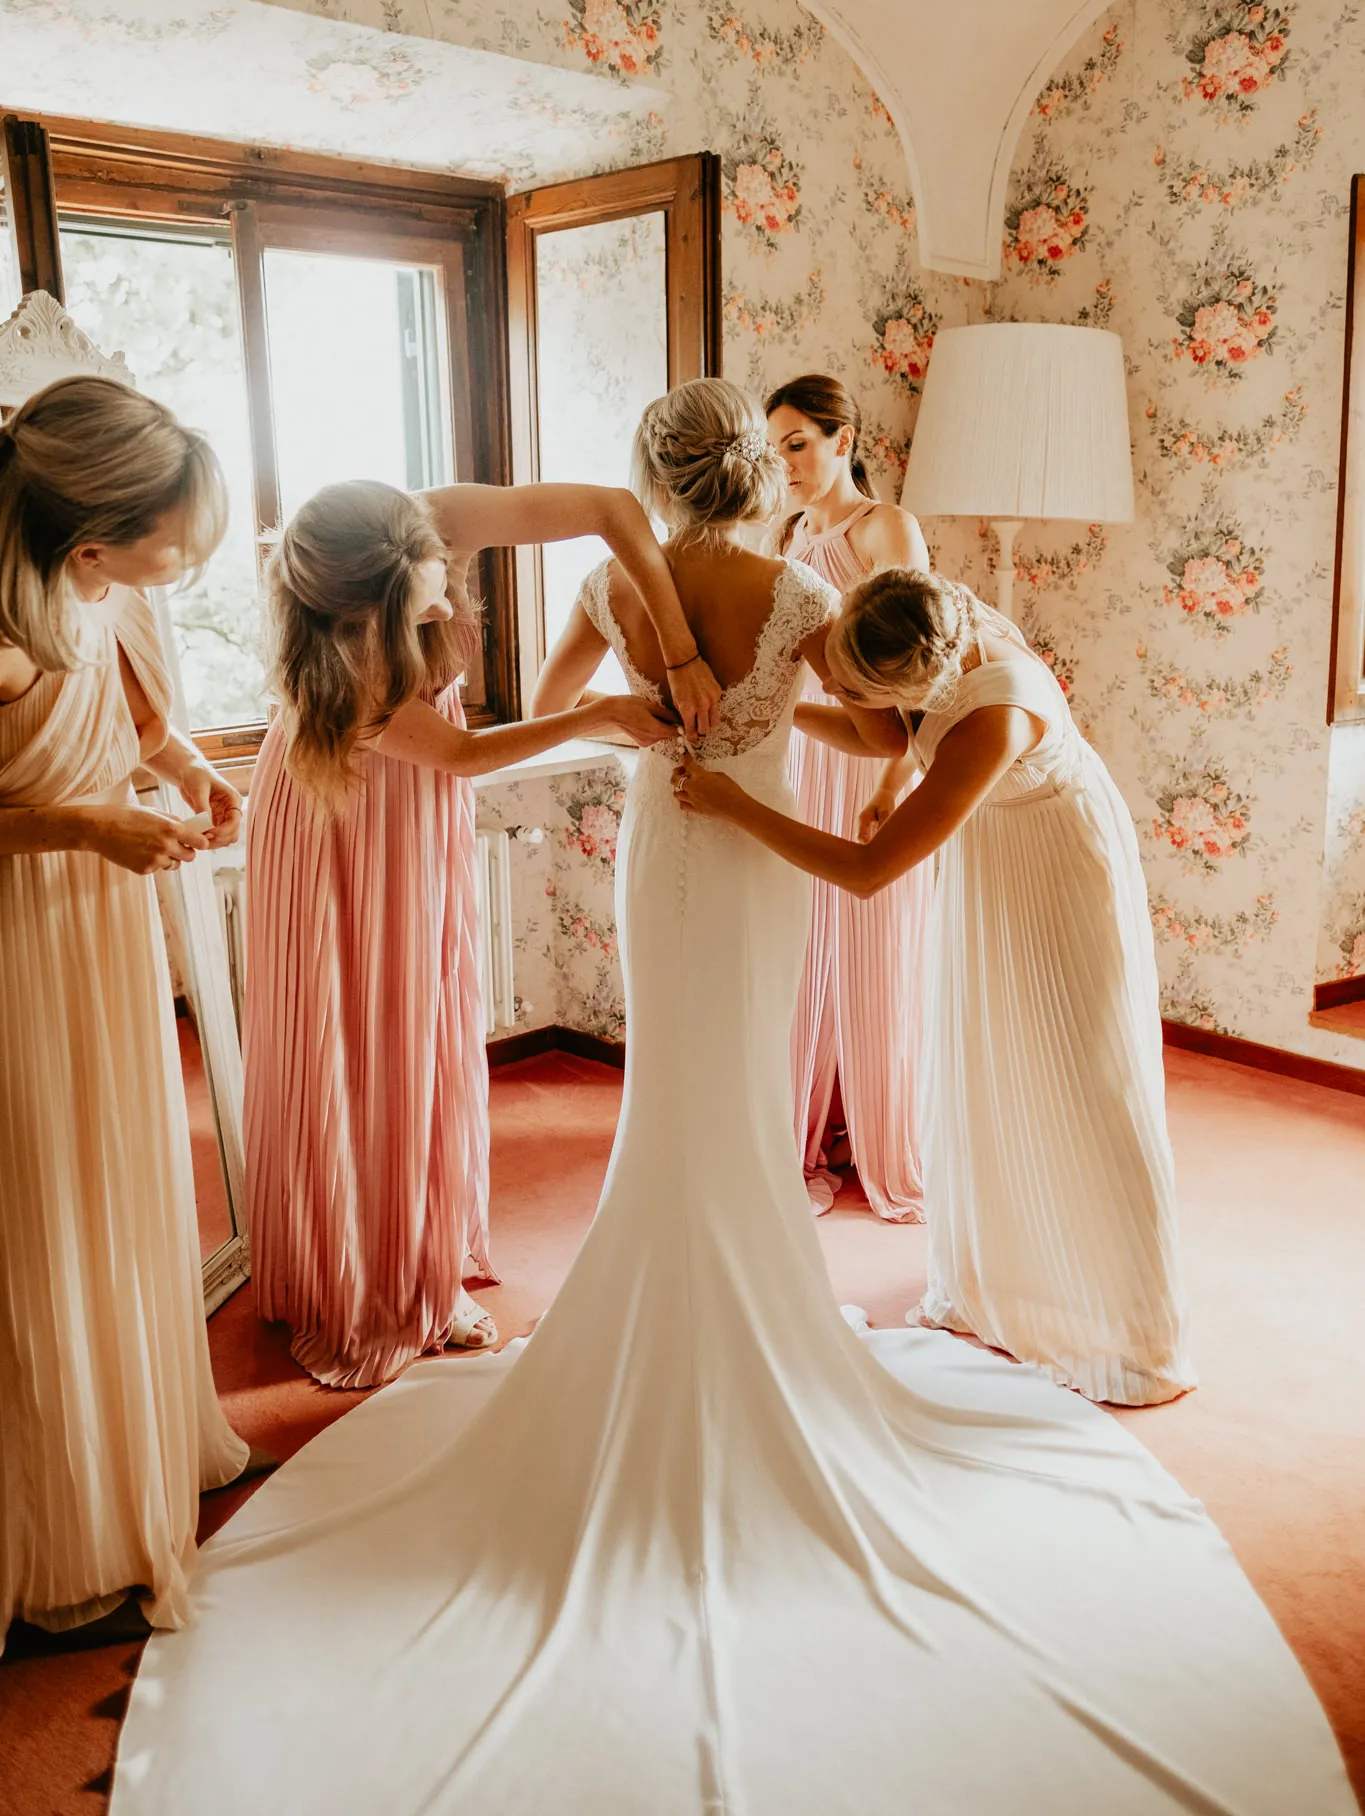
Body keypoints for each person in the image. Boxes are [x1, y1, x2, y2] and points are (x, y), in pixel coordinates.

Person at [111, 385, 1349, 1816]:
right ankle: (749, 1301)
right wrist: (866, 714)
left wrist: (644, 711)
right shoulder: (793, 587)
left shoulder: (605, 584)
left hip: (662, 850)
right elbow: (881, 735)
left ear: (654, 476)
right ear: (759, 472)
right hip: (756, 868)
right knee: (739, 1092)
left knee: (672, 1098)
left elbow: (564, 706)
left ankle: (675, 1297)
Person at [676, 564, 1197, 1407]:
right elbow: (882, 738)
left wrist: (733, 802)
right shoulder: (916, 615)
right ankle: (1004, 1284)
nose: (838, 691)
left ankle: (1135, 1325)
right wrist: (765, 716)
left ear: (909, 682)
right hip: (995, 857)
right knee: (989, 1065)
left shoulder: (991, 720)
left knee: (1087, 1084)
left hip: (1061, 868)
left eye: (849, 685)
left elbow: (869, 870)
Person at [243, 477, 694, 1390]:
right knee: (370, 1028)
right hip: (346, 818)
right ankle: (370, 1272)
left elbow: (613, 507)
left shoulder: (432, 517)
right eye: (426, 600)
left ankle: (422, 1240)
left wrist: (678, 646)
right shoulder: (349, 673)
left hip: (409, 808)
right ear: (361, 617)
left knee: (424, 1009)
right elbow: (460, 755)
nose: (450, 598)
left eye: (439, 575)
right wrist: (597, 714)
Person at [0, 375, 251, 1652]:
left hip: (100, 925)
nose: (189, 559)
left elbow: (149, 726)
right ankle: (65, 1512)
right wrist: (75, 821)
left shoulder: (109, 597)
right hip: (21, 940)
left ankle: (149, 1434)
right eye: (175, 538)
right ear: (89, 540)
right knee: (43, 1208)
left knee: (123, 1182)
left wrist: (200, 774)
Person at [769, 374, 933, 1219]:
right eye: (776, 449)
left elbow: (914, 668)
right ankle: (810, 1121)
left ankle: (880, 1130)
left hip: (873, 756)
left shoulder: (886, 528)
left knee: (871, 941)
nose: (787, 463)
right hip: (806, 753)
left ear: (844, 439)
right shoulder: (787, 532)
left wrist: (891, 780)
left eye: (799, 443)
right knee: (803, 941)